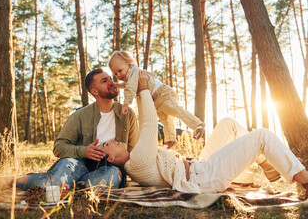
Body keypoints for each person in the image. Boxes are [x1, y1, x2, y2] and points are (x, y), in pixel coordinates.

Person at [99, 70, 308, 198]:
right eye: (109, 144)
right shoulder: (135, 162)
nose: (114, 140)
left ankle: (267, 163)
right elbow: (149, 124)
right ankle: (304, 179)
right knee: (262, 135)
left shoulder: (136, 158)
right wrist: (143, 89)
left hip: (199, 167)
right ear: (111, 158)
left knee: (228, 123)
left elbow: (150, 129)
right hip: (205, 178)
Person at [0, 69, 138, 191]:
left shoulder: (127, 114)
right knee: (56, 181)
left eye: (110, 78)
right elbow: (59, 147)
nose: (111, 82)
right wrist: (84, 151)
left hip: (110, 167)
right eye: (104, 81)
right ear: (94, 92)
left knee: (110, 177)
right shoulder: (80, 116)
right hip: (79, 163)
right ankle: (11, 181)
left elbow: (135, 150)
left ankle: (73, 188)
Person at [109, 51, 204, 149]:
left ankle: (197, 124)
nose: (119, 75)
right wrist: (119, 85)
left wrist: (126, 104)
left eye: (120, 70)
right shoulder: (131, 77)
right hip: (157, 101)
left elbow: (131, 87)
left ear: (129, 64)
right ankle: (170, 140)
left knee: (176, 110)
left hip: (162, 94)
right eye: (115, 73)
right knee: (166, 120)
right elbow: (130, 84)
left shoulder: (134, 71)